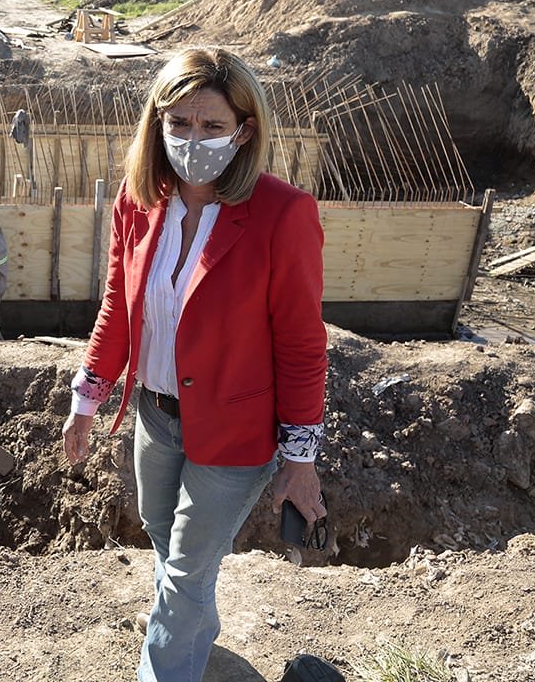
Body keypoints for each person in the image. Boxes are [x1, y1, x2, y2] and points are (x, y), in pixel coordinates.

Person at [60, 47, 328, 681]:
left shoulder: (281, 214)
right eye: (178, 123)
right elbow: (116, 310)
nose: (192, 139)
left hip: (236, 432)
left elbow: (300, 343)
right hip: (156, 416)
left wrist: (300, 456)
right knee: (163, 536)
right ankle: (190, 633)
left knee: (185, 566)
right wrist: (86, 402)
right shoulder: (139, 200)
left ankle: (169, 663)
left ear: (245, 130)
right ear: (157, 124)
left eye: (212, 126)